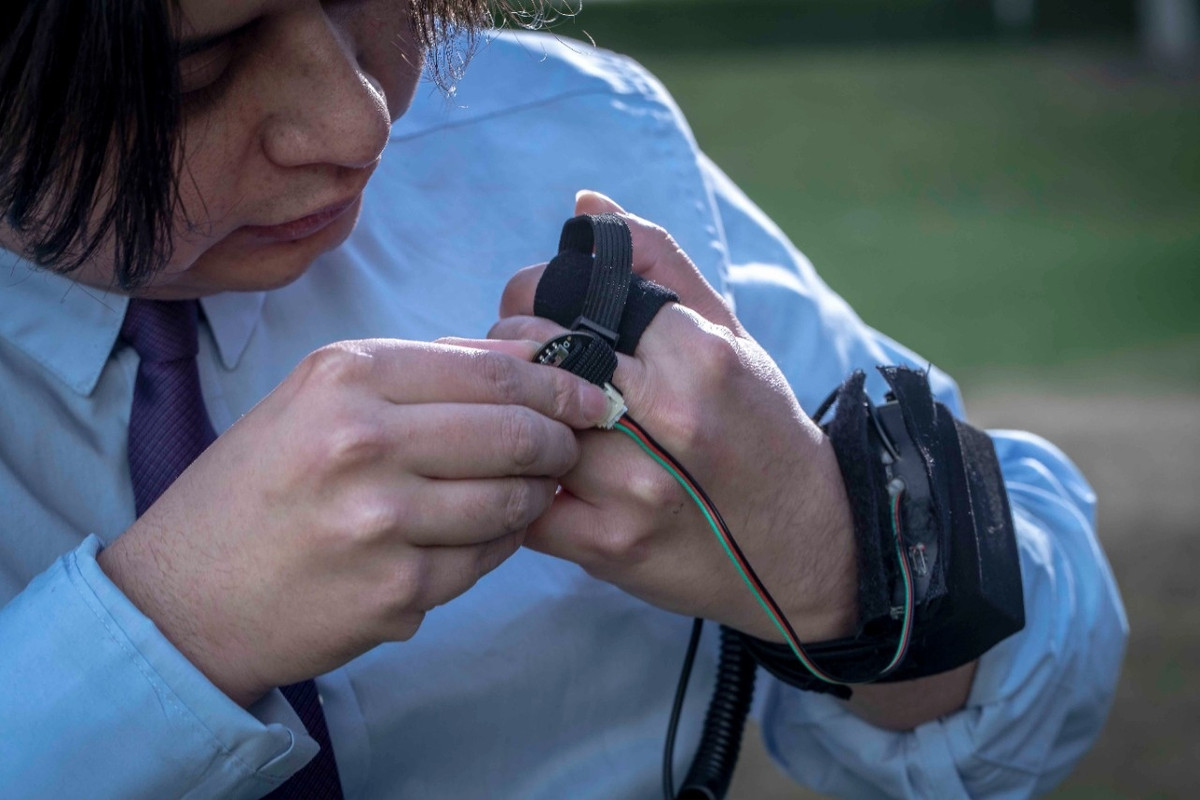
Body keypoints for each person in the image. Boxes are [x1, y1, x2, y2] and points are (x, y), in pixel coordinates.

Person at [0, 1, 1126, 798]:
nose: (357, 127)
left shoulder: (559, 127)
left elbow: (1040, 695)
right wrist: (166, 633)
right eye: (194, 68)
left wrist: (830, 546)